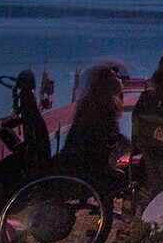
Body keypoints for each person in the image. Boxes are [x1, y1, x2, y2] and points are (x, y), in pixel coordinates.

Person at [53, 62, 127, 191]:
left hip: (77, 168)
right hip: (89, 172)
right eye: (114, 75)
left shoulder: (88, 108)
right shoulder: (104, 112)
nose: (119, 78)